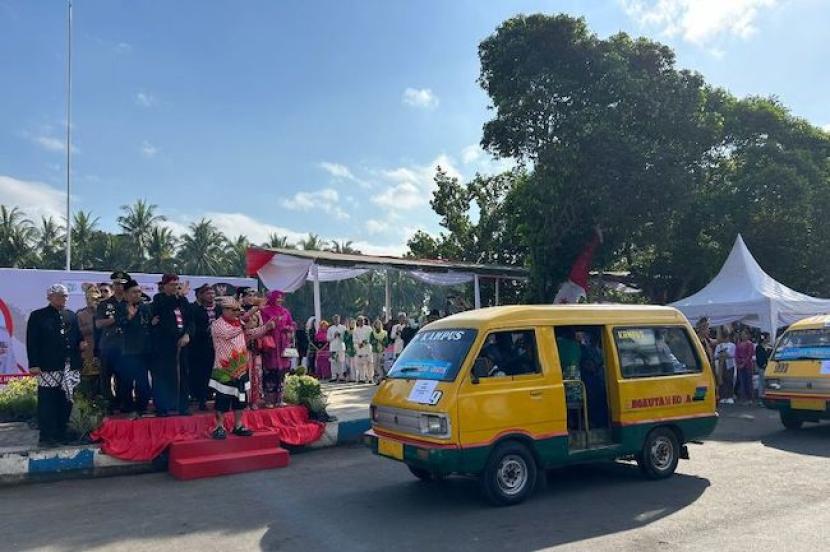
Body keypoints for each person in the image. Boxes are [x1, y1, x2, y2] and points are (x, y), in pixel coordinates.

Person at [209, 297, 276, 440]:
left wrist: (266, 327)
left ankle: (238, 425)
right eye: (234, 310)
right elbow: (229, 334)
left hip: (240, 368)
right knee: (222, 398)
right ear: (225, 310)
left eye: (237, 310)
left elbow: (250, 334)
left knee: (241, 399)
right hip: (224, 368)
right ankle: (219, 426)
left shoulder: (238, 324)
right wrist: (245, 321)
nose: (236, 313)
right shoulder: (217, 324)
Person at [26, 284, 83, 446]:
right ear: (50, 297)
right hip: (47, 366)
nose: (64, 299)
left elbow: (77, 337)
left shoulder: (71, 315)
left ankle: (60, 432)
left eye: (65, 296)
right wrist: (34, 364)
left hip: (69, 365)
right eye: (60, 295)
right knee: (47, 400)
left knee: (66, 400)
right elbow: (32, 342)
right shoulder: (38, 316)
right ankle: (46, 435)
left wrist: (82, 343)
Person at [151, 273, 192, 416]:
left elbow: (190, 320)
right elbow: (164, 311)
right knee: (163, 375)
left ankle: (183, 406)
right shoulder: (159, 299)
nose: (175, 287)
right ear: (165, 286)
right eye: (172, 285)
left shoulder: (183, 300)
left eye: (177, 284)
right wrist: (178, 296)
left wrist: (187, 334)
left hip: (182, 343)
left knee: (183, 374)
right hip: (164, 344)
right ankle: (162, 407)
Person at [115, 280, 153, 419]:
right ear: (125, 294)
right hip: (128, 351)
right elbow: (119, 326)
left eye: (139, 291)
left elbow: (149, 324)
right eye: (134, 292)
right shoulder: (120, 308)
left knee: (143, 383)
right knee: (126, 382)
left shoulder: (145, 307)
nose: (137, 294)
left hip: (145, 351)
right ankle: (128, 408)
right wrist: (129, 317)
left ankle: (141, 408)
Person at [95, 271, 129, 412]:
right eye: (116, 284)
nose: (119, 287)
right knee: (106, 377)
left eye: (122, 284)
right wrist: (115, 320)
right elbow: (98, 324)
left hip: (126, 347)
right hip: (108, 346)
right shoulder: (105, 304)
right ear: (113, 285)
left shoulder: (131, 303)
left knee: (123, 378)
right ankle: (109, 404)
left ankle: (123, 403)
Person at [260, 290, 296, 406]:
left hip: (283, 344)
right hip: (271, 344)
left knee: (282, 372)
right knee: (270, 372)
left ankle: (279, 399)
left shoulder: (285, 311)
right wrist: (273, 325)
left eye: (281, 298)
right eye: (277, 298)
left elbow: (292, 324)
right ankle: (269, 400)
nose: (280, 300)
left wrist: (288, 329)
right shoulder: (265, 311)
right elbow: (263, 325)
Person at [188, 284, 220, 411]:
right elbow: (191, 326)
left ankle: (214, 397)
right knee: (201, 373)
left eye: (212, 293)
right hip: (199, 347)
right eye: (208, 293)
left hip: (217, 347)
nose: (211, 296)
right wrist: (207, 330)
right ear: (200, 295)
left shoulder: (219, 309)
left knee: (216, 373)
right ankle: (201, 399)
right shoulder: (194, 308)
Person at [237, 287, 266, 408]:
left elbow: (262, 328)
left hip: (256, 347)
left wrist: (260, 331)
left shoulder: (258, 312)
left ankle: (254, 400)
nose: (252, 298)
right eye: (248, 295)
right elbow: (240, 326)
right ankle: (243, 401)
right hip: (243, 347)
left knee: (256, 374)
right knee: (244, 375)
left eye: (254, 295)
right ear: (241, 297)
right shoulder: (238, 311)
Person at [76, 284, 102, 398]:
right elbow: (77, 332)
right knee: (87, 384)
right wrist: (92, 326)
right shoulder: (80, 314)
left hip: (102, 353)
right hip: (87, 354)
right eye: (89, 298)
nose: (92, 301)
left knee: (102, 383)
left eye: (95, 299)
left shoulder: (104, 313)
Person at [714, 329, 737, 405]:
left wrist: (726, 353)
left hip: (729, 364)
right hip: (721, 365)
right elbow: (715, 356)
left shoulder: (732, 345)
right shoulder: (719, 345)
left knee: (729, 380)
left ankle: (729, 396)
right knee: (722, 380)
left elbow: (733, 355)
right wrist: (720, 354)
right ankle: (723, 396)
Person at [735, 330, 755, 405]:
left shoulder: (749, 344)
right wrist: (738, 363)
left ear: (747, 335)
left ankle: (750, 398)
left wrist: (743, 363)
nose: (743, 336)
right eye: (742, 335)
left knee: (748, 381)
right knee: (742, 382)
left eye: (744, 335)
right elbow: (736, 354)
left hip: (747, 365)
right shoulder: (738, 344)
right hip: (740, 364)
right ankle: (744, 398)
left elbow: (749, 355)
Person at [327, 314, 347, 382]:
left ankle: (341, 376)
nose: (336, 320)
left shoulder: (343, 328)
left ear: (339, 319)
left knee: (341, 362)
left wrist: (340, 335)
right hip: (333, 347)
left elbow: (345, 338)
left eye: (337, 319)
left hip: (341, 347)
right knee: (333, 362)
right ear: (333, 320)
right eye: (335, 319)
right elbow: (328, 338)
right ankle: (334, 376)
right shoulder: (330, 328)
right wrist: (334, 336)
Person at [353, 316, 373, 383]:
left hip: (367, 348)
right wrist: (359, 345)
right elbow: (354, 340)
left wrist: (366, 342)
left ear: (364, 321)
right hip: (360, 349)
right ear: (357, 322)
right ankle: (362, 378)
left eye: (362, 320)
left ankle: (370, 378)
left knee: (369, 364)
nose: (361, 322)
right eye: (359, 320)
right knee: (360, 364)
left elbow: (371, 337)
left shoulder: (369, 328)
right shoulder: (355, 330)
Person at [370, 319, 389, 383]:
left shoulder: (384, 333)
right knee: (375, 363)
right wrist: (376, 341)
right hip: (375, 350)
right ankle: (376, 377)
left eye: (379, 324)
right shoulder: (372, 333)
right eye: (376, 324)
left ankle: (381, 377)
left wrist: (382, 342)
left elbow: (386, 343)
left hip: (382, 350)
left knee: (381, 364)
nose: (377, 325)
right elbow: (371, 341)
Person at [756, 333, 771, 404]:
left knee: (767, 383)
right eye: (768, 337)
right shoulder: (759, 347)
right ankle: (761, 399)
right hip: (762, 367)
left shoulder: (770, 347)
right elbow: (759, 358)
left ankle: (767, 398)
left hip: (769, 367)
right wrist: (763, 364)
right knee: (762, 383)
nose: (769, 339)